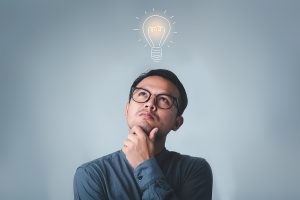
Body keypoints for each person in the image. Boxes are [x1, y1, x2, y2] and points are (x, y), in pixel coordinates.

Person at [73, 69, 213, 200]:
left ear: (177, 123)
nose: (150, 104)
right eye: (142, 94)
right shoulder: (92, 174)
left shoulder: (195, 170)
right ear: (127, 110)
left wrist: (144, 164)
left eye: (164, 99)